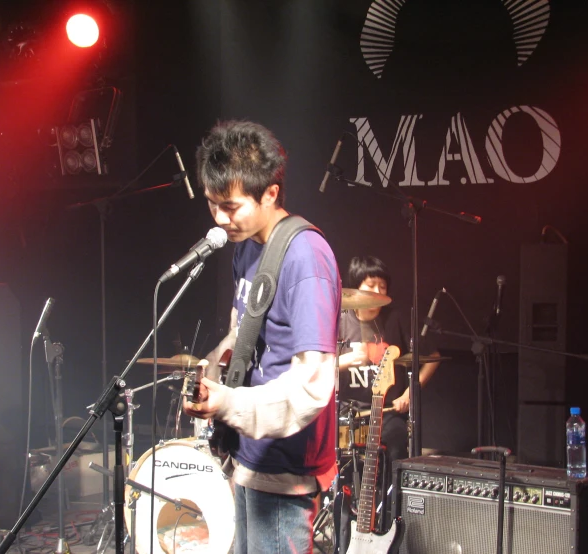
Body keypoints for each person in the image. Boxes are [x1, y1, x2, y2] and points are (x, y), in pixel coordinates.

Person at [183, 120, 342, 554]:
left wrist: (228, 403)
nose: (219, 218)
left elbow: (312, 387)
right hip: (248, 455)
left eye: (230, 206)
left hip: (286, 466)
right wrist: (211, 371)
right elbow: (243, 333)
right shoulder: (247, 247)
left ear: (270, 193)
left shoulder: (306, 257)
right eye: (212, 204)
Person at [337, 255, 440, 461]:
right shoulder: (340, 321)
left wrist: (408, 395)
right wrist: (347, 360)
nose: (377, 292)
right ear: (355, 288)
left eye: (382, 287)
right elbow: (317, 366)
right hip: (349, 412)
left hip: (387, 412)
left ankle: (391, 493)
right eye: (371, 285)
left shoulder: (396, 319)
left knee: (396, 440)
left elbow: (433, 358)